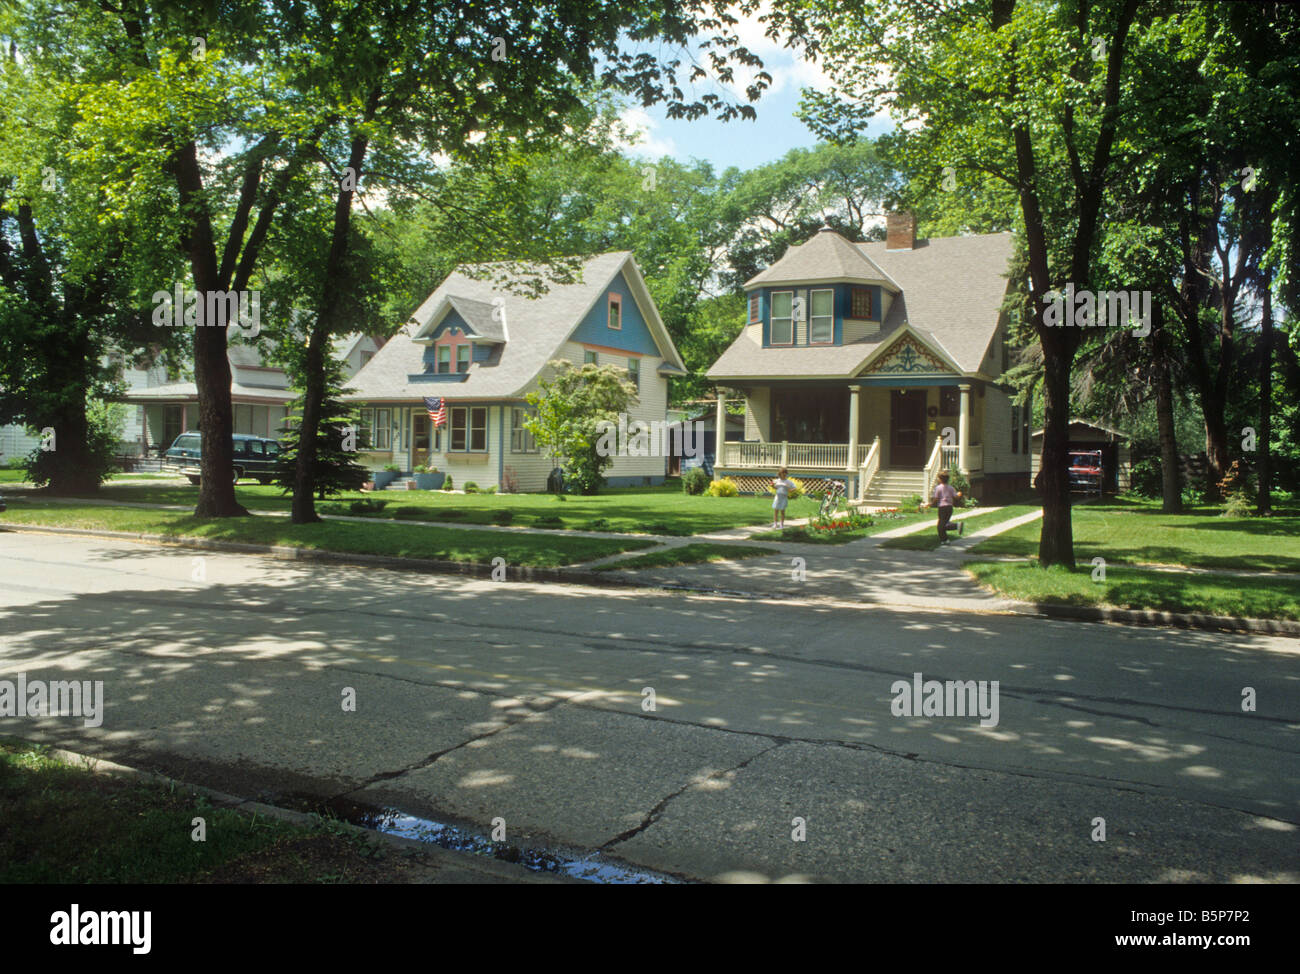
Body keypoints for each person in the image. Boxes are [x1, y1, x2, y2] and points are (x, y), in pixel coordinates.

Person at [929, 470, 964, 544]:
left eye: (938, 478)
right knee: (943, 524)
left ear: (941, 479)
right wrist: (959, 494)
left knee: (941, 525)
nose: (938, 479)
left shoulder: (938, 488)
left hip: (942, 508)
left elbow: (936, 498)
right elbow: (956, 497)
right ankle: (944, 540)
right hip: (949, 508)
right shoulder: (951, 488)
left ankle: (956, 526)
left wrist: (931, 504)